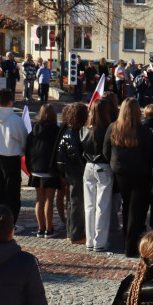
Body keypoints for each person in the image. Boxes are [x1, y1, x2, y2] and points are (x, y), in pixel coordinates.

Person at [105, 98, 153, 258]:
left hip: (120, 172)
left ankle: (128, 240)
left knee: (127, 207)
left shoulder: (113, 128)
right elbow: (152, 154)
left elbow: (106, 151)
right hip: (139, 174)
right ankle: (131, 245)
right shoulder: (144, 131)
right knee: (136, 210)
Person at [0, 88, 27, 227]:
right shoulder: (16, 119)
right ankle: (10, 223)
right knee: (12, 192)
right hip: (12, 157)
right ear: (11, 101)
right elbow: (24, 139)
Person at [82, 98, 113, 252]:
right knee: (102, 206)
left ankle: (90, 240)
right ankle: (99, 242)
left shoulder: (85, 128)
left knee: (89, 206)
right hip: (103, 166)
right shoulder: (107, 128)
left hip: (88, 166)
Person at [25, 104, 61, 237]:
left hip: (35, 168)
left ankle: (40, 228)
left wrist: (29, 168)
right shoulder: (56, 131)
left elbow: (27, 150)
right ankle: (49, 229)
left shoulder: (33, 130)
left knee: (39, 199)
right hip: (50, 170)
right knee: (49, 200)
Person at [57, 103, 87, 243]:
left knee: (72, 202)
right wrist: (82, 168)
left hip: (70, 171)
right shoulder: (76, 133)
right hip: (76, 172)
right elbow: (76, 154)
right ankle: (76, 234)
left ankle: (71, 232)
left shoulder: (67, 131)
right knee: (77, 202)